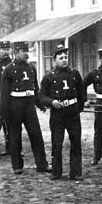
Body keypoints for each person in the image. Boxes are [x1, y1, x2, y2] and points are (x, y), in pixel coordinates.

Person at [0, 41, 49, 175]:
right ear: (16, 53)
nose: (26, 54)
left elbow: (35, 88)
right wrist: (5, 113)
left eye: (27, 51)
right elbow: (4, 95)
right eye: (23, 51)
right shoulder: (9, 70)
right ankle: (17, 166)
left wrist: (39, 104)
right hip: (15, 106)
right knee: (15, 136)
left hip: (29, 106)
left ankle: (42, 164)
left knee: (36, 135)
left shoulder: (31, 68)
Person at [40, 44, 86, 181]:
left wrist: (79, 108)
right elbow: (41, 96)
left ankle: (76, 172)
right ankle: (56, 172)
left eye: (66, 57)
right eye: (61, 58)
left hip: (72, 112)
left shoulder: (74, 73)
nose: (64, 60)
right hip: (57, 114)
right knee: (57, 143)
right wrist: (52, 102)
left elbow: (81, 92)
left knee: (76, 142)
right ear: (55, 60)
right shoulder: (49, 77)